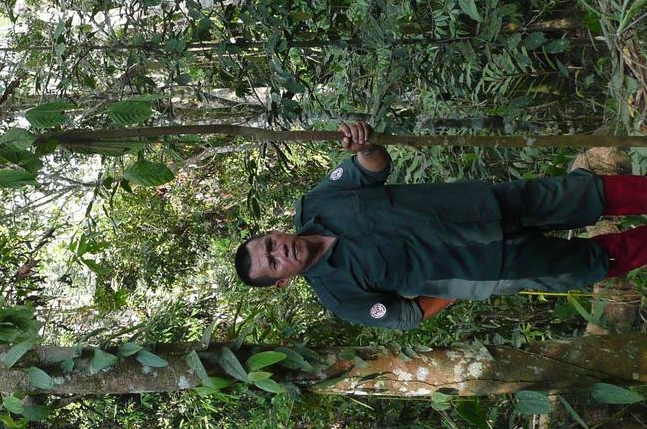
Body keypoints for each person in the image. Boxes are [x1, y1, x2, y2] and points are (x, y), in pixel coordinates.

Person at [233, 122, 647, 330]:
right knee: (598, 259)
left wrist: (368, 146)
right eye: (272, 263)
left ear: (274, 232)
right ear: (281, 282)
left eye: (269, 243)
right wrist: (458, 285)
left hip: (483, 205)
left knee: (590, 194)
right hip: (493, 266)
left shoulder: (318, 202)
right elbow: (406, 314)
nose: (278, 251)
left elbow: (372, 168)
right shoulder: (341, 297)